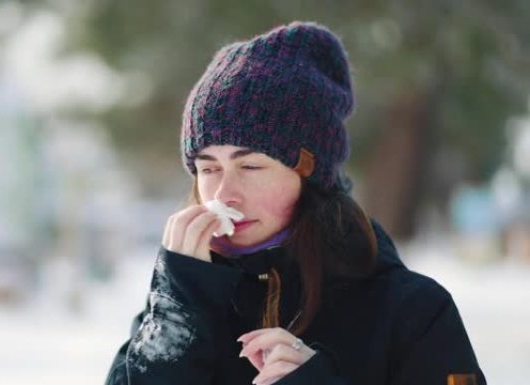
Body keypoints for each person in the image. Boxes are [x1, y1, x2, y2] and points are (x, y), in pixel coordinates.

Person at [105, 21, 486, 385]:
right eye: (208, 169)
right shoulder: (181, 307)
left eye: (250, 165)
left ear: (309, 174)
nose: (223, 194)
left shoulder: (412, 312)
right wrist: (176, 320)